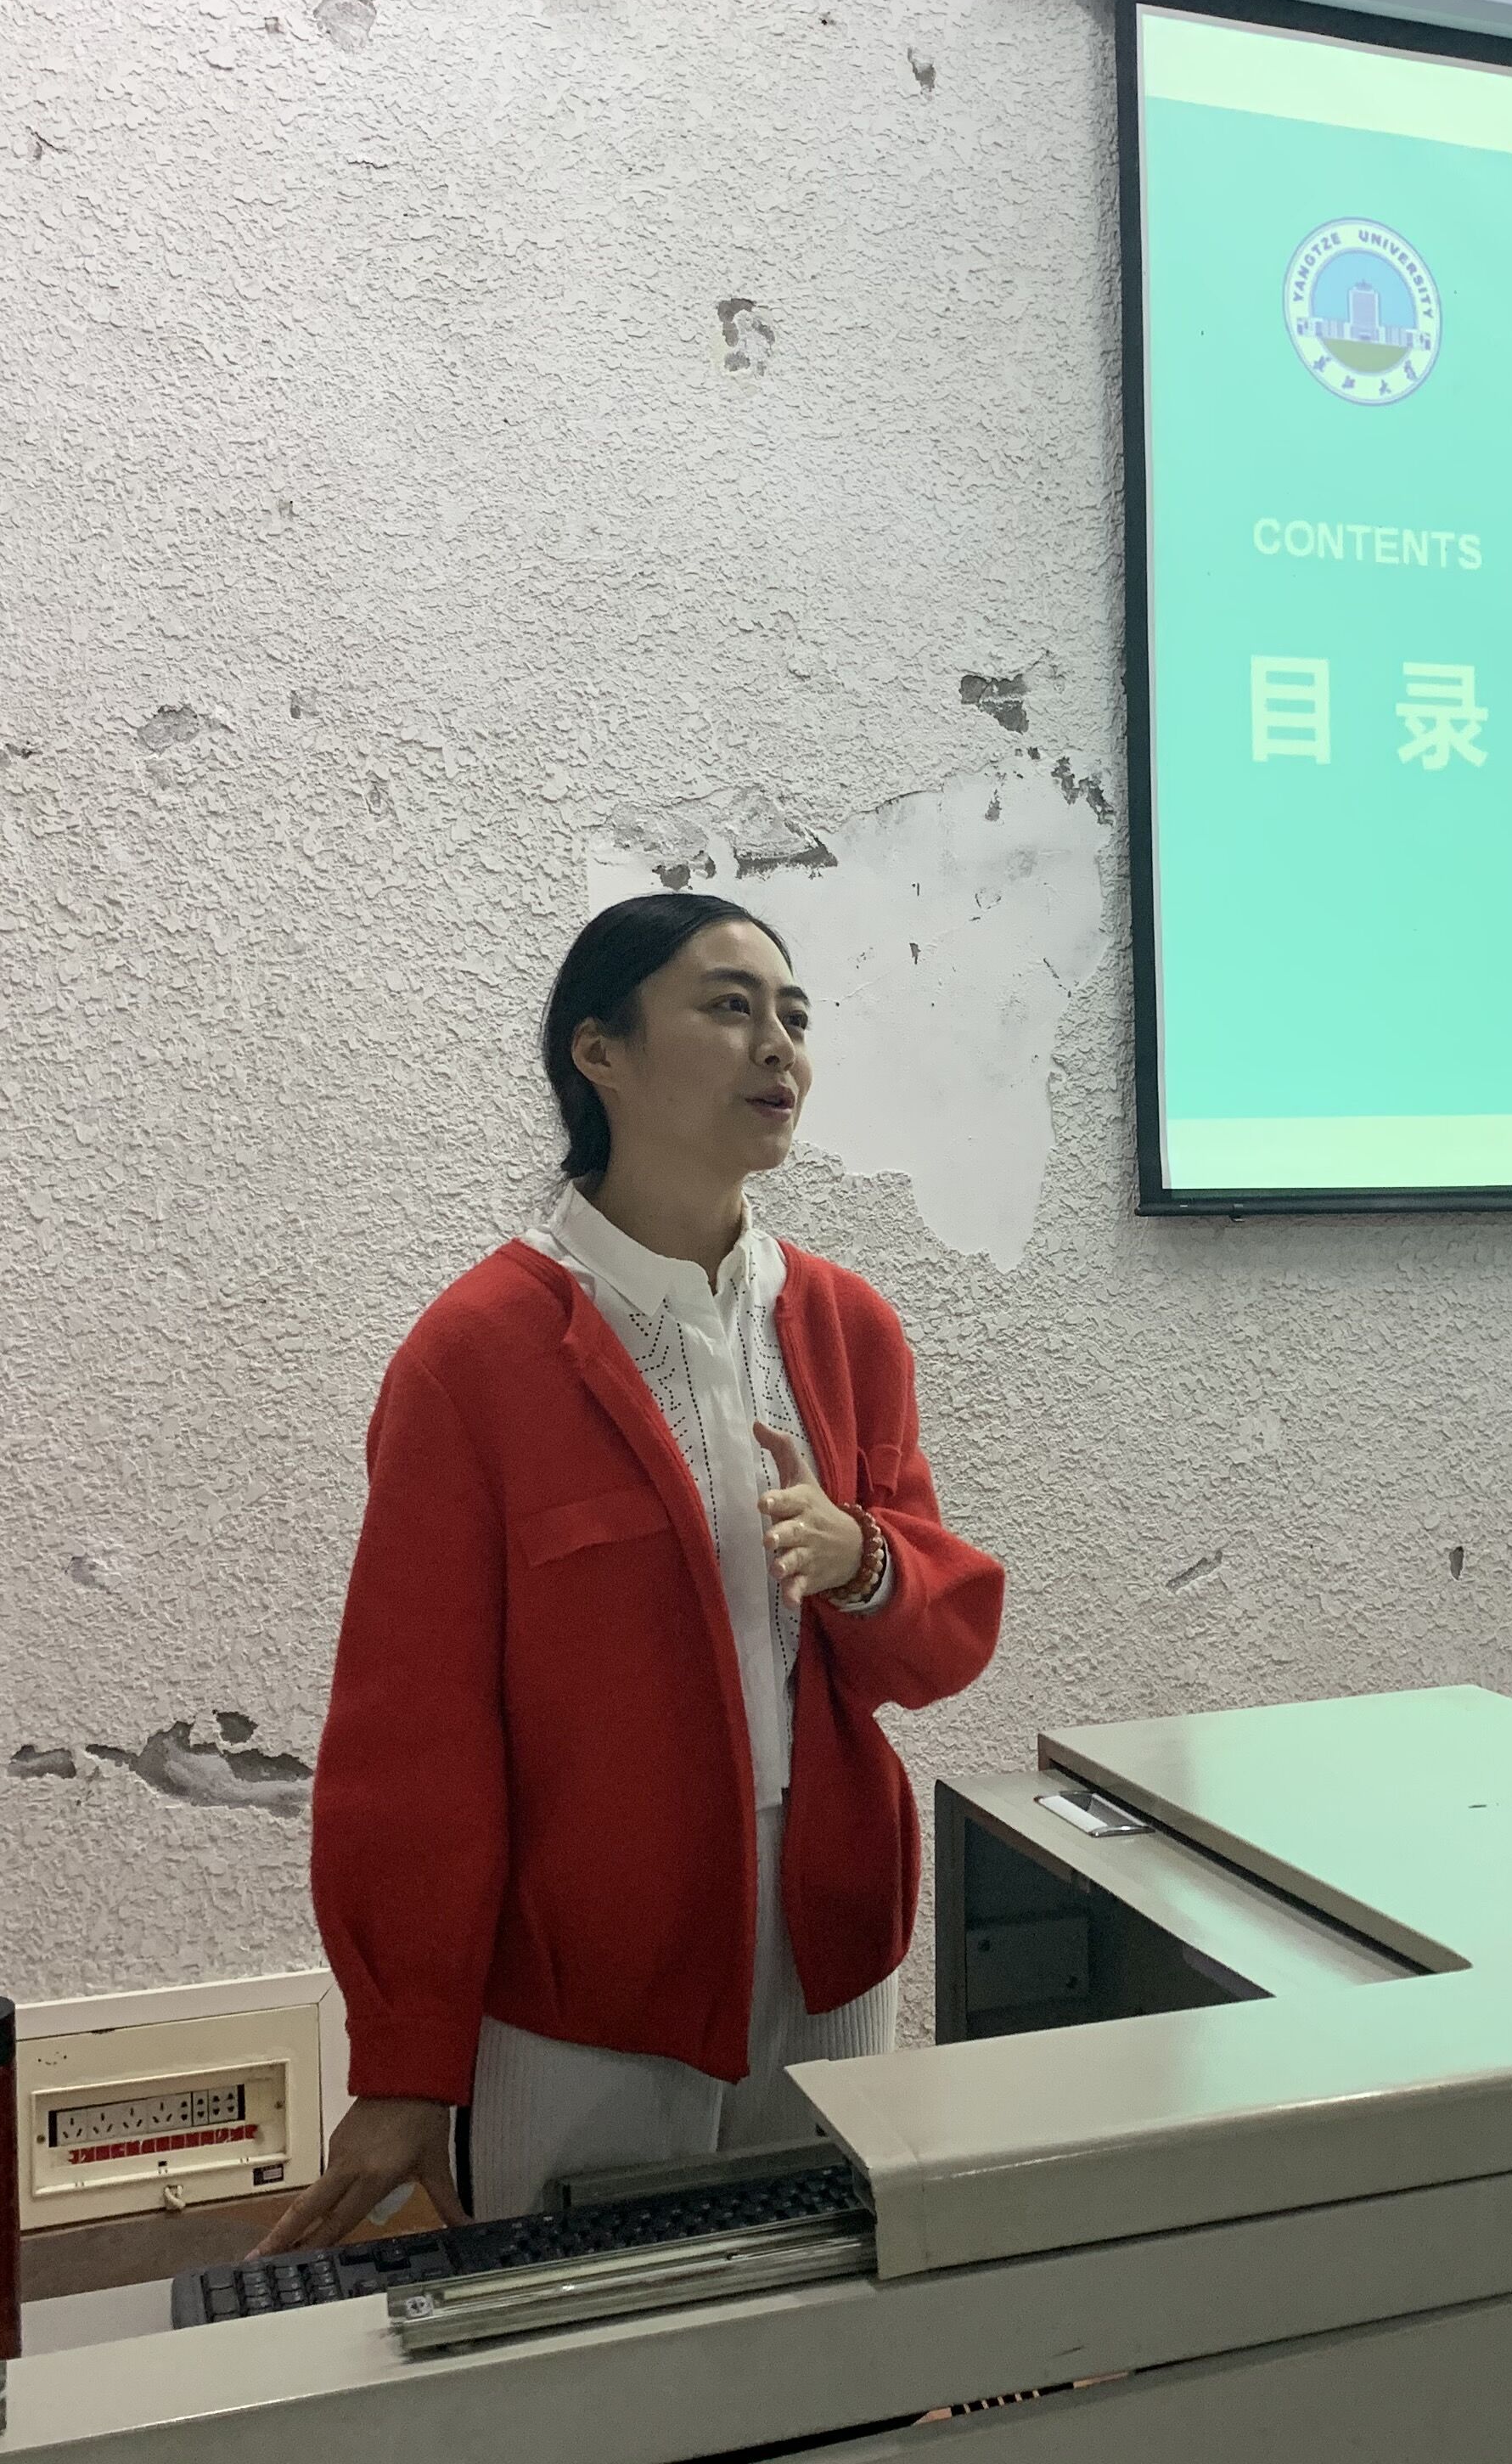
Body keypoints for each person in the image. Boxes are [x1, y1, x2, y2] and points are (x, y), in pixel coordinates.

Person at [256, 892, 1004, 2247]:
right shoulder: (476, 1353)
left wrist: (866, 1562)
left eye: (794, 1016)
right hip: (584, 1979)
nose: (778, 1046)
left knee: (827, 2310)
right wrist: (408, 2058)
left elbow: (939, 1650)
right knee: (574, 2338)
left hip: (828, 1941)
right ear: (599, 1051)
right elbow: (410, 1744)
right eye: (728, 1007)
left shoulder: (848, 1328)